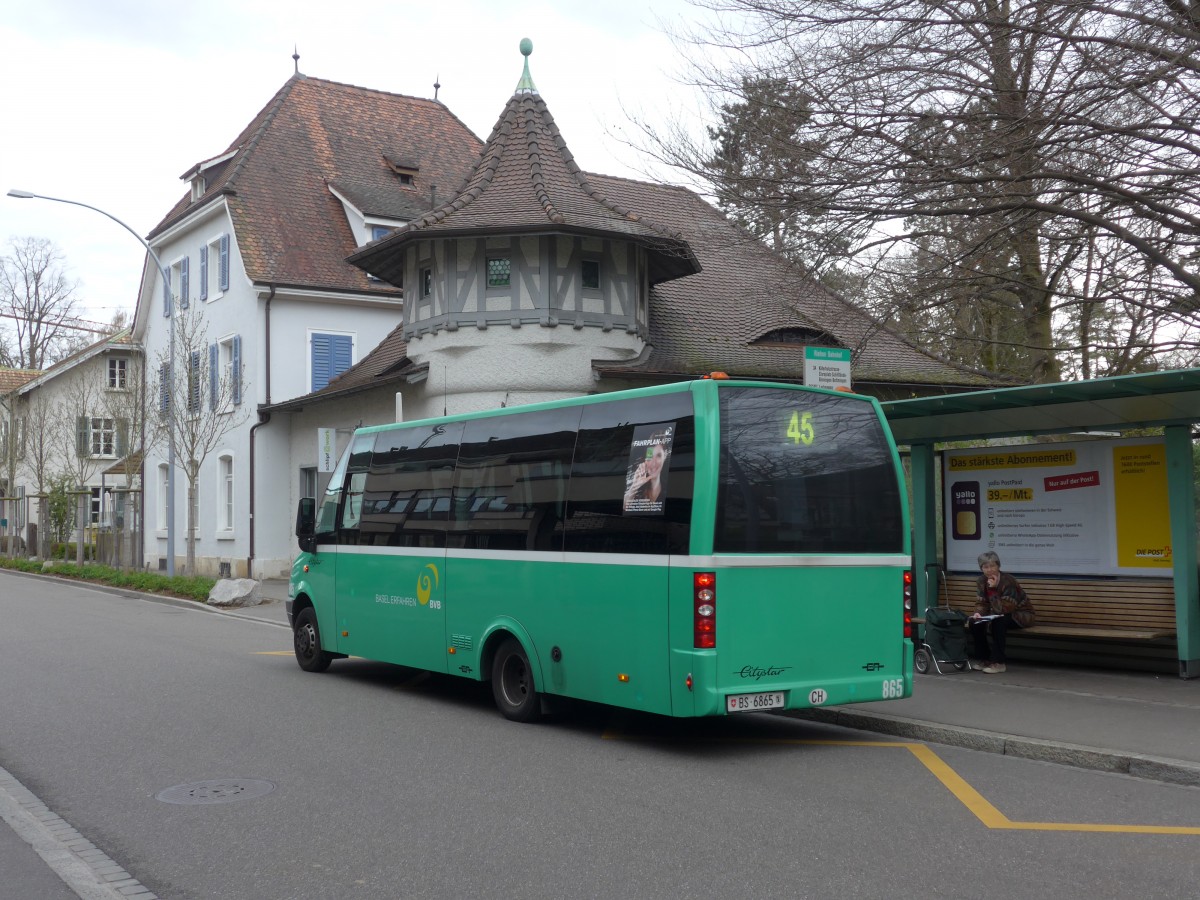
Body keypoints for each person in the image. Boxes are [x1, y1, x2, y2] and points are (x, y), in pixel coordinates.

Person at [968, 551, 1035, 674]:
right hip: (997, 614)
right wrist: (978, 613)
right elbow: (981, 603)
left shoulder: (1008, 581)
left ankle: (998, 662)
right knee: (974, 622)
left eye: (993, 566)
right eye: (986, 567)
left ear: (998, 566)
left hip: (1022, 615)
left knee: (999, 621)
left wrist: (993, 589)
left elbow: (1005, 609)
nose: (989, 570)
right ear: (981, 569)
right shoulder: (981, 581)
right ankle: (985, 659)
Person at [623, 440, 668, 511]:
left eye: (658, 456)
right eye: (650, 457)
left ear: (664, 457)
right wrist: (634, 487)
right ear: (645, 461)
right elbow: (623, 509)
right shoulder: (638, 488)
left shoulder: (667, 489)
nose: (653, 463)